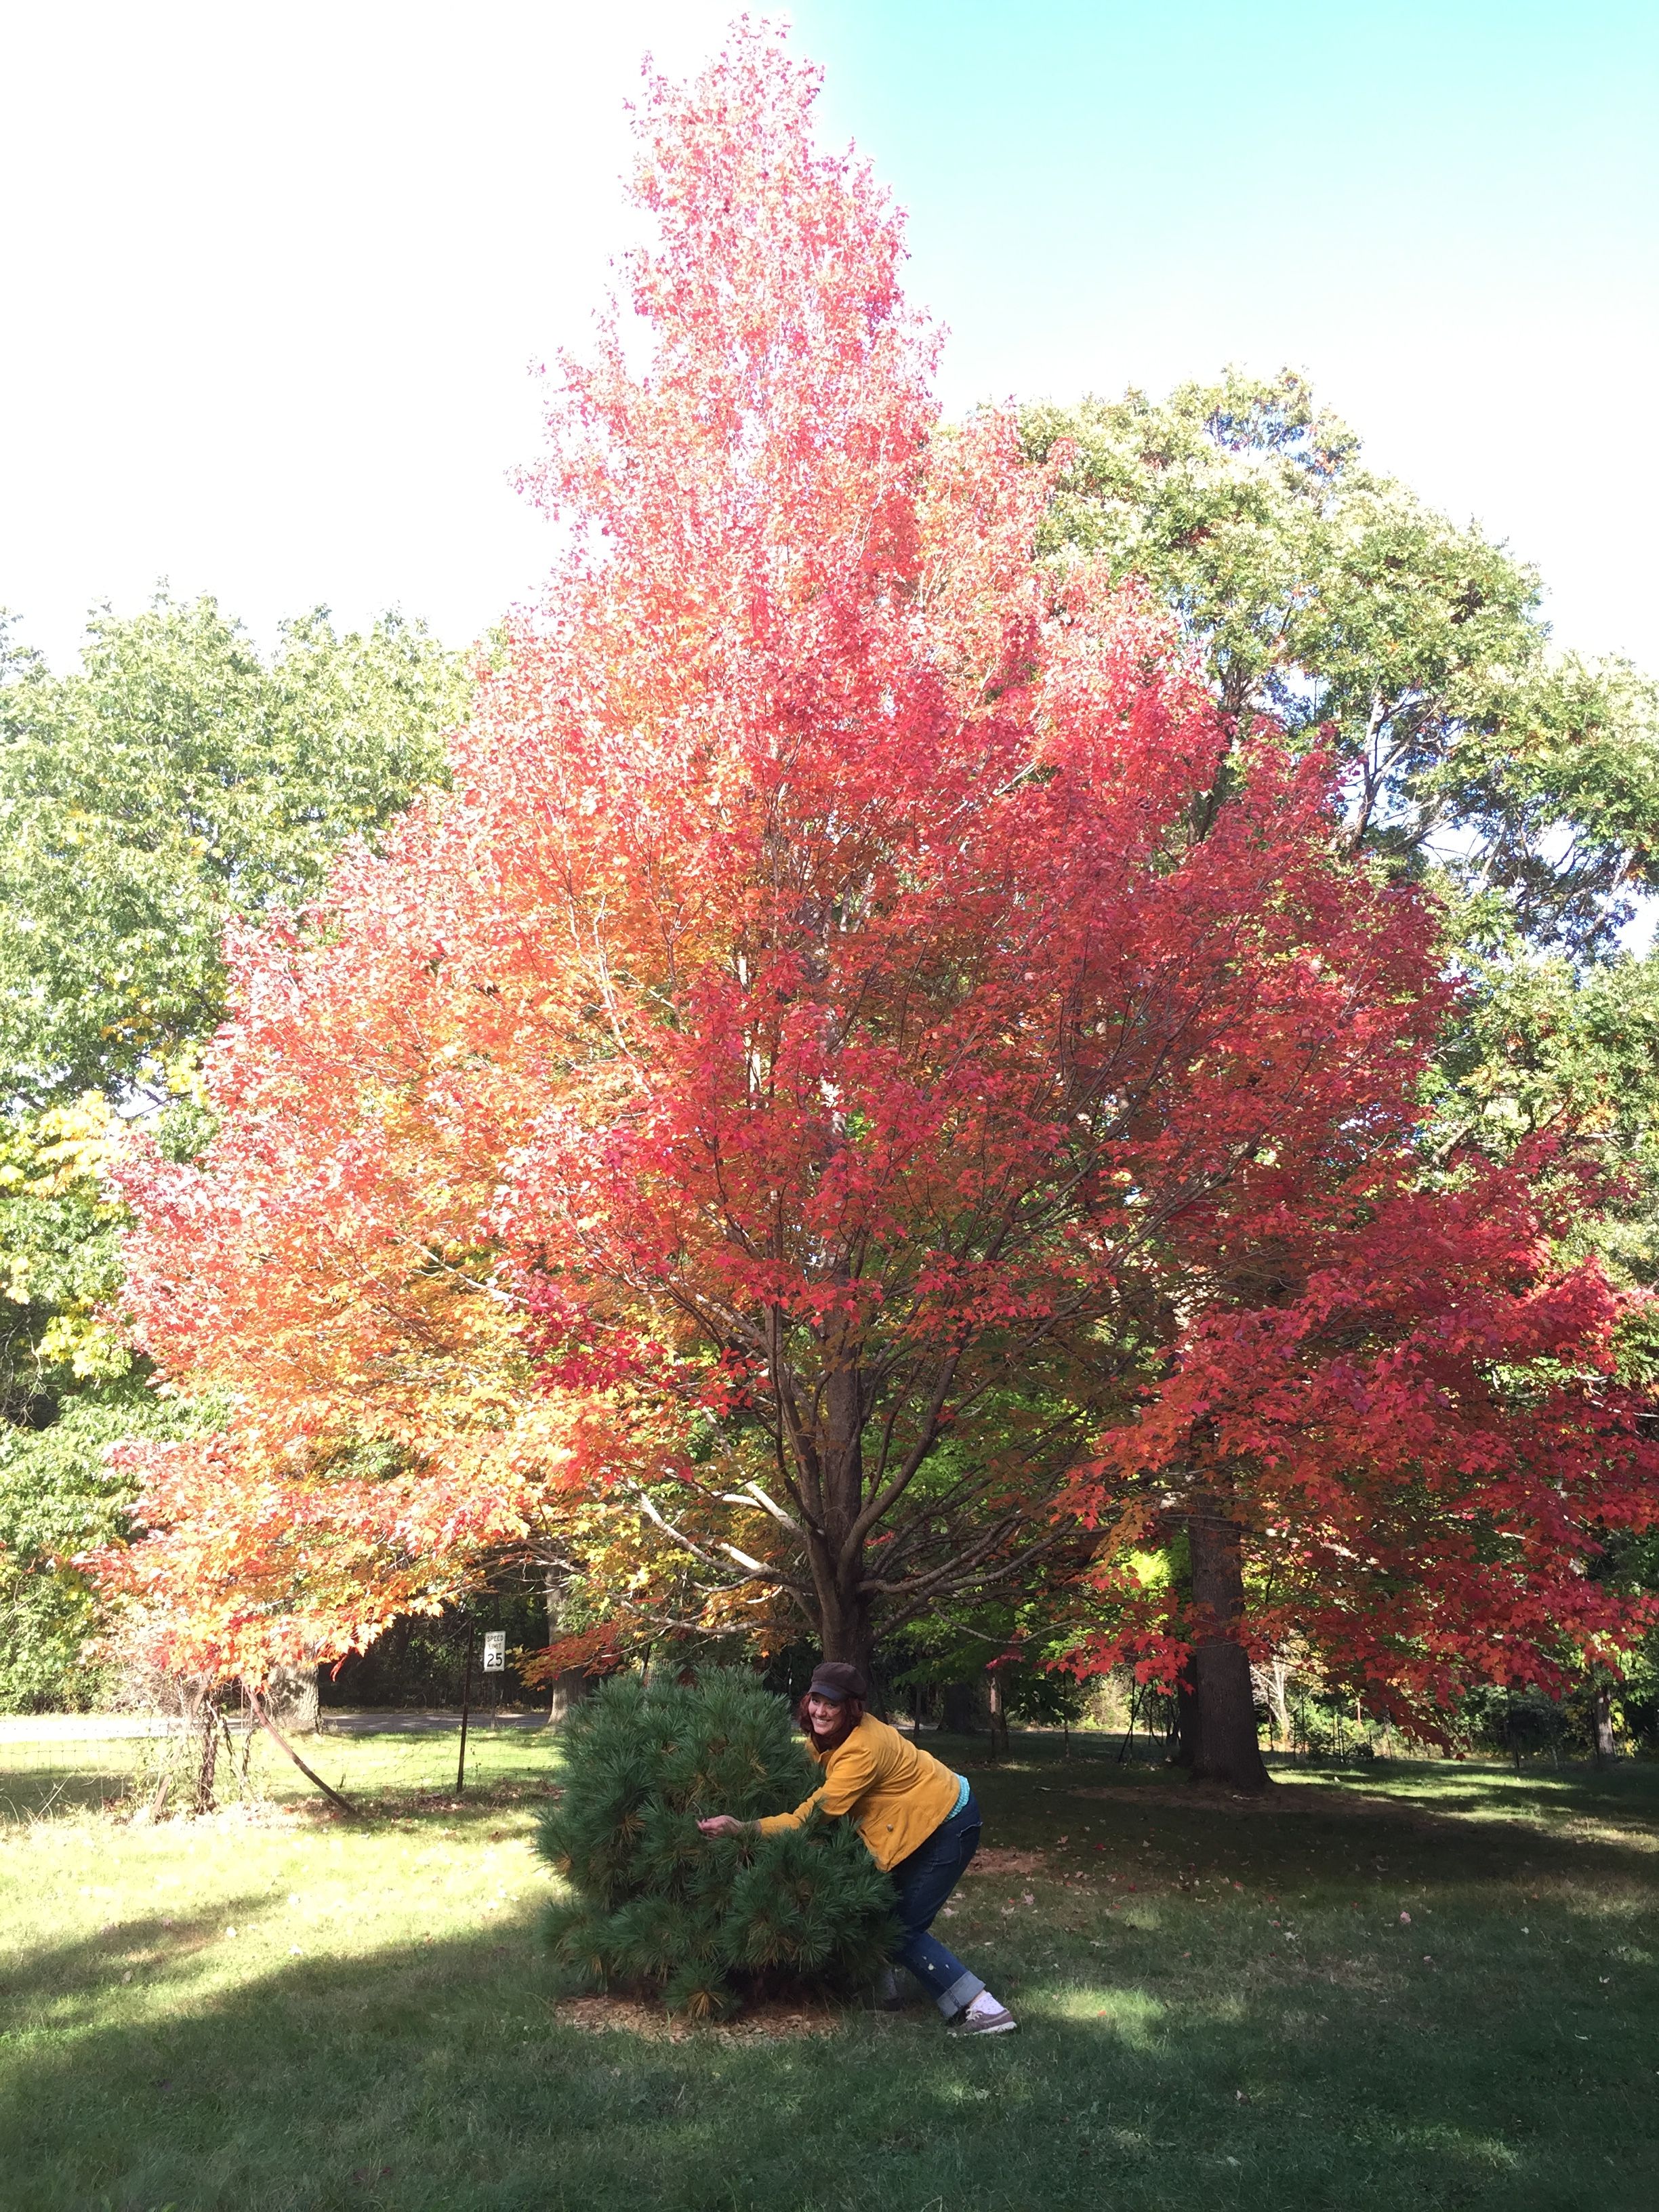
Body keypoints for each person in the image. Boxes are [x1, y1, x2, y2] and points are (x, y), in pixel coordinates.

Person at [697, 1660, 1017, 2035]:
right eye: (816, 1700)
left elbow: (810, 1818)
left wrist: (745, 1828)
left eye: (831, 1704)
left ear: (851, 1709)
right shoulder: (831, 1737)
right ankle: (883, 1993)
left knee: (900, 1930)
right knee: (879, 1907)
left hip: (948, 1823)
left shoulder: (862, 1749)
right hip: (918, 1821)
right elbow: (807, 1764)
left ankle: (982, 2008)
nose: (820, 1711)